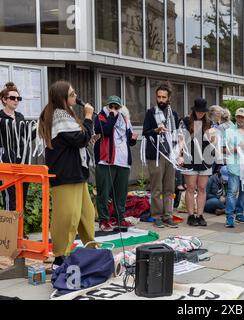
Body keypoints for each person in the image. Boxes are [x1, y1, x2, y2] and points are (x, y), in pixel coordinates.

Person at [38, 81, 96, 268]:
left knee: (86, 214)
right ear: (62, 97)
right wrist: (88, 117)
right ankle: (60, 256)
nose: (75, 96)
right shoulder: (57, 116)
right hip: (64, 174)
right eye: (72, 94)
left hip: (76, 172)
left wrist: (88, 131)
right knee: (67, 216)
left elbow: (81, 138)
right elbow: (80, 139)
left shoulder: (65, 115)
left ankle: (91, 250)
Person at [93, 96, 138, 232]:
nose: (113, 109)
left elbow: (128, 139)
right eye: (111, 106)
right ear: (107, 106)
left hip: (123, 161)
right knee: (104, 192)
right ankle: (104, 220)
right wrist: (112, 117)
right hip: (106, 160)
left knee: (121, 192)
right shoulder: (101, 116)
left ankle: (120, 218)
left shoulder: (124, 119)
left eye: (116, 107)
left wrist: (133, 139)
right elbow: (105, 130)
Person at [142, 82, 179, 228]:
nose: (161, 100)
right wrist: (156, 131)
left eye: (164, 97)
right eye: (159, 97)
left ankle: (168, 215)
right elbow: (145, 132)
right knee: (156, 188)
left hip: (170, 155)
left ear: (169, 98)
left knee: (169, 188)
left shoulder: (173, 114)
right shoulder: (150, 113)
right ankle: (157, 216)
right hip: (155, 156)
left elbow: (177, 134)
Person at [178, 98, 216, 227]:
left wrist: (213, 138)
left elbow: (213, 142)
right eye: (198, 111)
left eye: (202, 112)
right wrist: (180, 155)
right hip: (189, 158)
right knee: (190, 187)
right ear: (194, 110)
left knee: (202, 188)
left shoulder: (209, 123)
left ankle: (200, 215)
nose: (200, 114)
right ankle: (190, 215)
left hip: (205, 158)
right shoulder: (185, 121)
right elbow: (181, 139)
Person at [0, 82, 36, 211]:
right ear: (4, 99)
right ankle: (11, 230)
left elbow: (27, 137)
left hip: (22, 162)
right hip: (6, 162)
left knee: (22, 195)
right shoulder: (0, 117)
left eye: (18, 98)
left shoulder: (20, 117)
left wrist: (38, 128)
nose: (16, 101)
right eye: (12, 98)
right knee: (9, 196)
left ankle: (20, 229)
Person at [223, 108, 244, 228]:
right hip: (234, 166)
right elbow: (223, 149)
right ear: (235, 117)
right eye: (238, 117)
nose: (240, 119)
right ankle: (229, 217)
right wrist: (236, 149)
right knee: (232, 192)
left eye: (242, 117)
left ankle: (240, 213)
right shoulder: (228, 131)